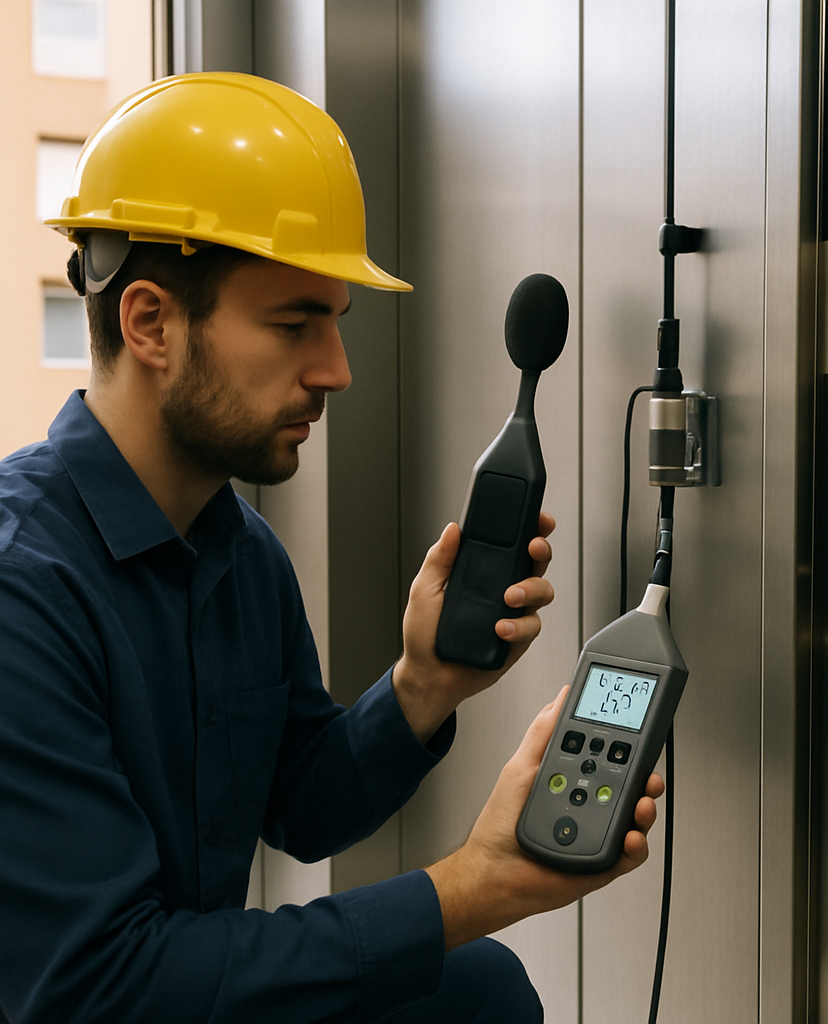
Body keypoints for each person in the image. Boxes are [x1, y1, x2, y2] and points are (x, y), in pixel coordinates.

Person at [0, 73, 663, 1024]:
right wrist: (469, 889)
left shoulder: (240, 551)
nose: (337, 371)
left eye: (336, 323)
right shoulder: (23, 589)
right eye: (294, 323)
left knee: (479, 995)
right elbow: (98, 989)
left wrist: (422, 684)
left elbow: (302, 808)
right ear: (150, 321)